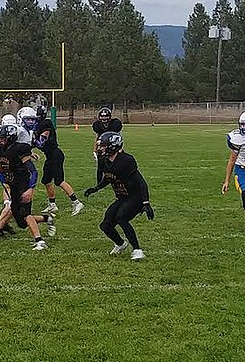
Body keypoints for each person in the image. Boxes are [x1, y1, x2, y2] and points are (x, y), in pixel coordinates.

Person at [0, 124, 52, 251]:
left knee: (25, 214)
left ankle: (39, 241)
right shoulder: (0, 149)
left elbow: (33, 171)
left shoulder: (20, 149)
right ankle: (47, 218)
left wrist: (30, 188)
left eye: (2, 138)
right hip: (13, 185)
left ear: (10, 138)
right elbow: (1, 169)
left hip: (23, 184)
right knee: (22, 222)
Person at [82, 131, 152, 260]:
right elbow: (108, 178)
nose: (100, 148)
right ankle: (120, 244)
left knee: (122, 217)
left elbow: (141, 182)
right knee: (105, 225)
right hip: (122, 197)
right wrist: (96, 188)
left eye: (103, 146)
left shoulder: (126, 160)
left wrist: (145, 202)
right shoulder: (104, 160)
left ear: (113, 145)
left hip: (135, 197)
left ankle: (137, 249)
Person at [23, 106, 85, 218]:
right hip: (49, 156)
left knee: (59, 181)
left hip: (55, 155)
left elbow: (41, 143)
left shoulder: (46, 124)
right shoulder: (39, 125)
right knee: (46, 180)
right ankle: (52, 204)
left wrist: (30, 141)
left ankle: (77, 202)